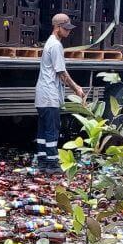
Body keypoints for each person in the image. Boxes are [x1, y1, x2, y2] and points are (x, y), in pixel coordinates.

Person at [34, 13, 85, 172]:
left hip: (42, 94)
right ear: (57, 28)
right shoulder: (56, 45)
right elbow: (61, 73)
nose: (68, 31)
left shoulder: (49, 43)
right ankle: (52, 164)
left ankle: (42, 161)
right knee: (52, 130)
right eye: (66, 28)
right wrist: (76, 88)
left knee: (43, 130)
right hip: (50, 94)